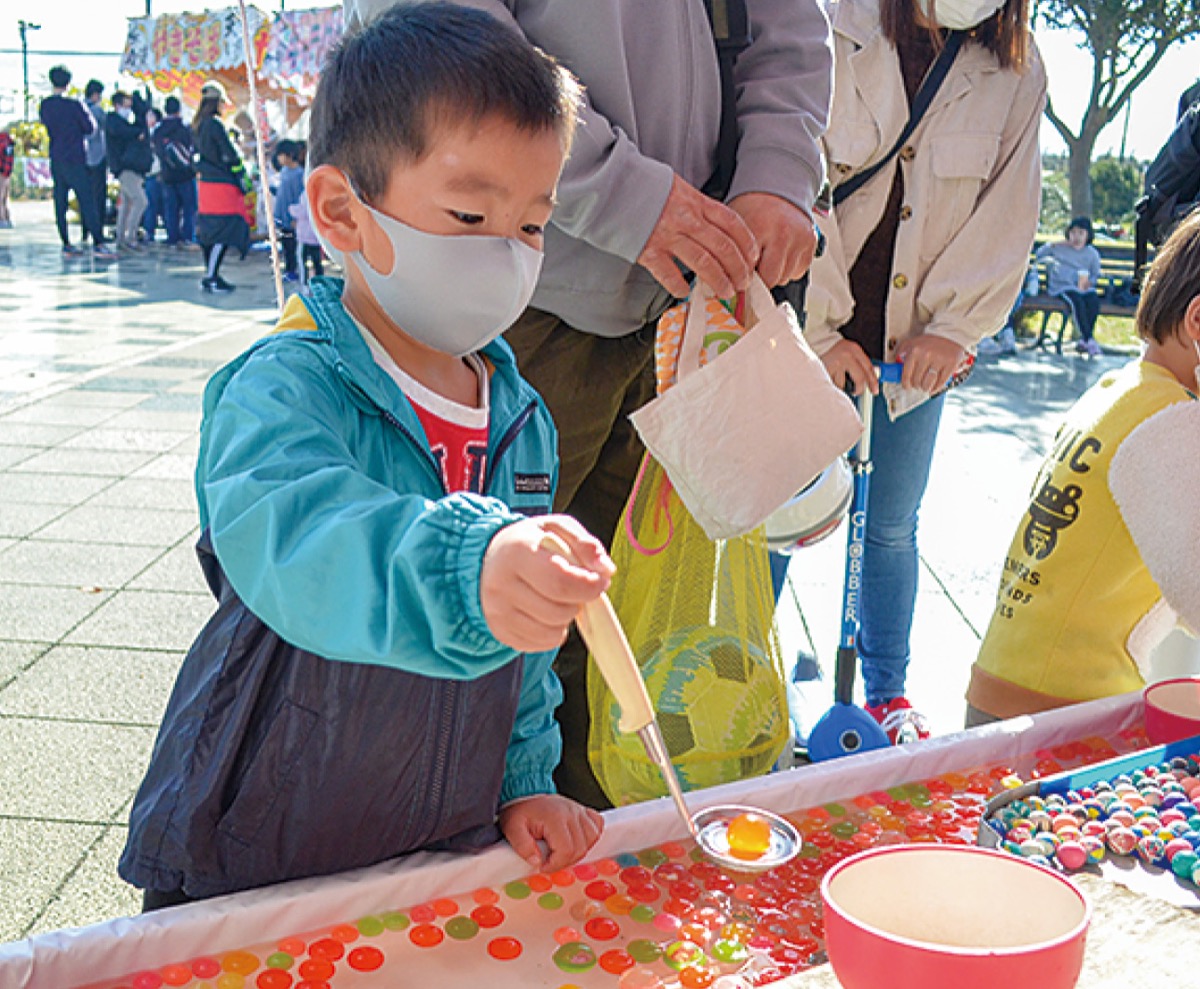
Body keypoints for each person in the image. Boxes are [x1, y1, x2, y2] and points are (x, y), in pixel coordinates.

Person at [118, 3, 608, 909]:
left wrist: (525, 775)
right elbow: (299, 537)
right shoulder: (285, 384)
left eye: (534, 225)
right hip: (268, 828)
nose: (505, 252)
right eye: (469, 213)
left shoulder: (522, 417)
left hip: (442, 830)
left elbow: (525, 654)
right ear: (342, 210)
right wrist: (470, 565)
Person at [353, 0, 832, 809]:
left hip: (680, 306)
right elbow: (442, 48)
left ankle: (574, 837)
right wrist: (628, 200)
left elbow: (790, 31)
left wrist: (778, 175)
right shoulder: (298, 383)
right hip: (513, 299)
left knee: (601, 636)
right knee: (462, 632)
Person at [804, 0, 1046, 742]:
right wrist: (817, 329)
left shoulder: (1016, 64)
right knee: (779, 519)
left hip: (912, 352)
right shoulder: (833, 21)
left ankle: (888, 691)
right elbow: (792, 164)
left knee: (891, 526)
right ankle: (744, 674)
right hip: (812, 326)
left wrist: (954, 330)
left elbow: (1010, 207)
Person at [966, 211, 1200, 725]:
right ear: (1197, 321)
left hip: (1003, 683)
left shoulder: (1117, 392)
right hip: (1067, 711)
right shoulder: (1176, 423)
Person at [38, 65, 115, 259]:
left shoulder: (45, 105)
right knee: (87, 200)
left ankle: (66, 243)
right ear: (68, 83)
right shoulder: (75, 105)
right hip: (76, 157)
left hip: (57, 157)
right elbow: (90, 128)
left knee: (60, 201)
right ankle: (98, 241)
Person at [193, 82, 251, 293]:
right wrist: (240, 173)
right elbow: (230, 155)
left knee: (210, 230)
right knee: (224, 230)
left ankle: (211, 274)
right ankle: (211, 277)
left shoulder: (197, 125)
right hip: (222, 184)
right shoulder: (215, 124)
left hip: (206, 184)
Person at [1036, 217, 1103, 357]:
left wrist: (1090, 282)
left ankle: (1085, 340)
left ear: (1088, 235)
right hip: (1062, 286)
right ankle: (1088, 339)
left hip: (1082, 287)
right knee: (1076, 301)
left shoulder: (1091, 253)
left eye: (1081, 233)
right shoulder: (1060, 248)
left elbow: (1096, 274)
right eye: (1073, 232)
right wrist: (1054, 244)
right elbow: (1039, 255)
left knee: (1093, 301)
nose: (1076, 237)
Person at [105, 90, 152, 251]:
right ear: (118, 105)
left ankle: (121, 238)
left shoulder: (122, 123)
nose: (129, 108)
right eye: (126, 104)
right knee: (140, 201)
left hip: (127, 168)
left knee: (126, 203)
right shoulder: (114, 122)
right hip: (126, 168)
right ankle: (130, 237)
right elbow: (125, 132)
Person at [154, 96, 198, 248]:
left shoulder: (158, 130)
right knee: (189, 208)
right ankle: (187, 237)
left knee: (171, 208)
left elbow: (157, 151)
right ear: (179, 109)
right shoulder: (185, 128)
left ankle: (172, 237)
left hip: (167, 174)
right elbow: (193, 149)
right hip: (186, 174)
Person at [272, 138, 305, 282]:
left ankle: (293, 270)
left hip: (292, 219)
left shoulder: (299, 174)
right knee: (285, 245)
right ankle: (288, 269)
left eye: (281, 154)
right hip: (282, 216)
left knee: (292, 246)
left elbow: (299, 197)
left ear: (290, 154)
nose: (278, 158)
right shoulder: (284, 171)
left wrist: (296, 218)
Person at [82, 80, 108, 243]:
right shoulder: (97, 111)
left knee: (85, 195)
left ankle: (86, 229)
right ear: (96, 94)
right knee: (98, 196)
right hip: (97, 157)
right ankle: (97, 230)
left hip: (82, 158)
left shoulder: (79, 109)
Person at [290, 189, 324, 289]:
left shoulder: (307, 194)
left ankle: (304, 284)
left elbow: (303, 211)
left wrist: (291, 209)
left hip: (305, 237)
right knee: (317, 262)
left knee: (302, 262)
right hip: (316, 237)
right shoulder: (319, 194)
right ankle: (320, 284)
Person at [140, 106, 165, 243]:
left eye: (150, 116)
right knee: (151, 204)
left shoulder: (158, 133)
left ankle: (151, 231)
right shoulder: (145, 133)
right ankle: (149, 231)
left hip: (158, 172)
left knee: (156, 204)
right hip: (150, 173)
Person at [0, 123, 13, 229]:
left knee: (1, 197)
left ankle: (3, 219)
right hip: (5, 172)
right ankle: (6, 218)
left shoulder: (4, 141)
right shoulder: (8, 141)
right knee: (3, 197)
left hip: (2, 172)